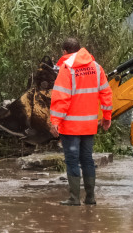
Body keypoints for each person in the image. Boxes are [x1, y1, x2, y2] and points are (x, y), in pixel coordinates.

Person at [47, 38, 113, 206]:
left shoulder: (67, 69)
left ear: (64, 52)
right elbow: (106, 93)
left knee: (72, 161)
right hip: (89, 125)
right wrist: (107, 116)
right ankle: (90, 198)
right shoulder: (96, 68)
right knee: (87, 160)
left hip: (70, 126)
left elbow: (61, 98)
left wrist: (55, 121)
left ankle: (74, 198)